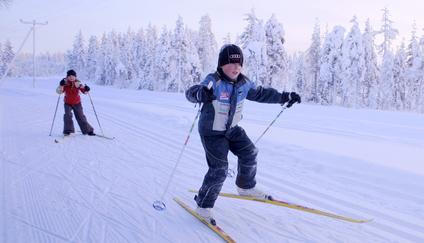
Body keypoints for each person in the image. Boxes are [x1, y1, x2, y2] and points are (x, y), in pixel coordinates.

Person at [185, 44, 301, 224]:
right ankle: (203, 205)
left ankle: (245, 186)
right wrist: (199, 93)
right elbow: (192, 92)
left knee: (250, 152)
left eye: (239, 64)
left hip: (232, 129)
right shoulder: (213, 81)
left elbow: (261, 94)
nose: (236, 67)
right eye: (231, 63)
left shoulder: (244, 83)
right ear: (221, 65)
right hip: (212, 132)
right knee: (220, 169)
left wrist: (285, 97)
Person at [56, 69, 95, 136]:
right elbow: (59, 92)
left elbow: (84, 91)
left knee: (81, 116)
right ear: (67, 77)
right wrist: (61, 85)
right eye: (69, 76)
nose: (71, 77)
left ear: (75, 77)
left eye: (73, 76)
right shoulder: (65, 83)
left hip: (77, 103)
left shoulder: (78, 83)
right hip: (67, 103)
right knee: (67, 116)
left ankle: (88, 130)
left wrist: (86, 89)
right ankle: (68, 130)